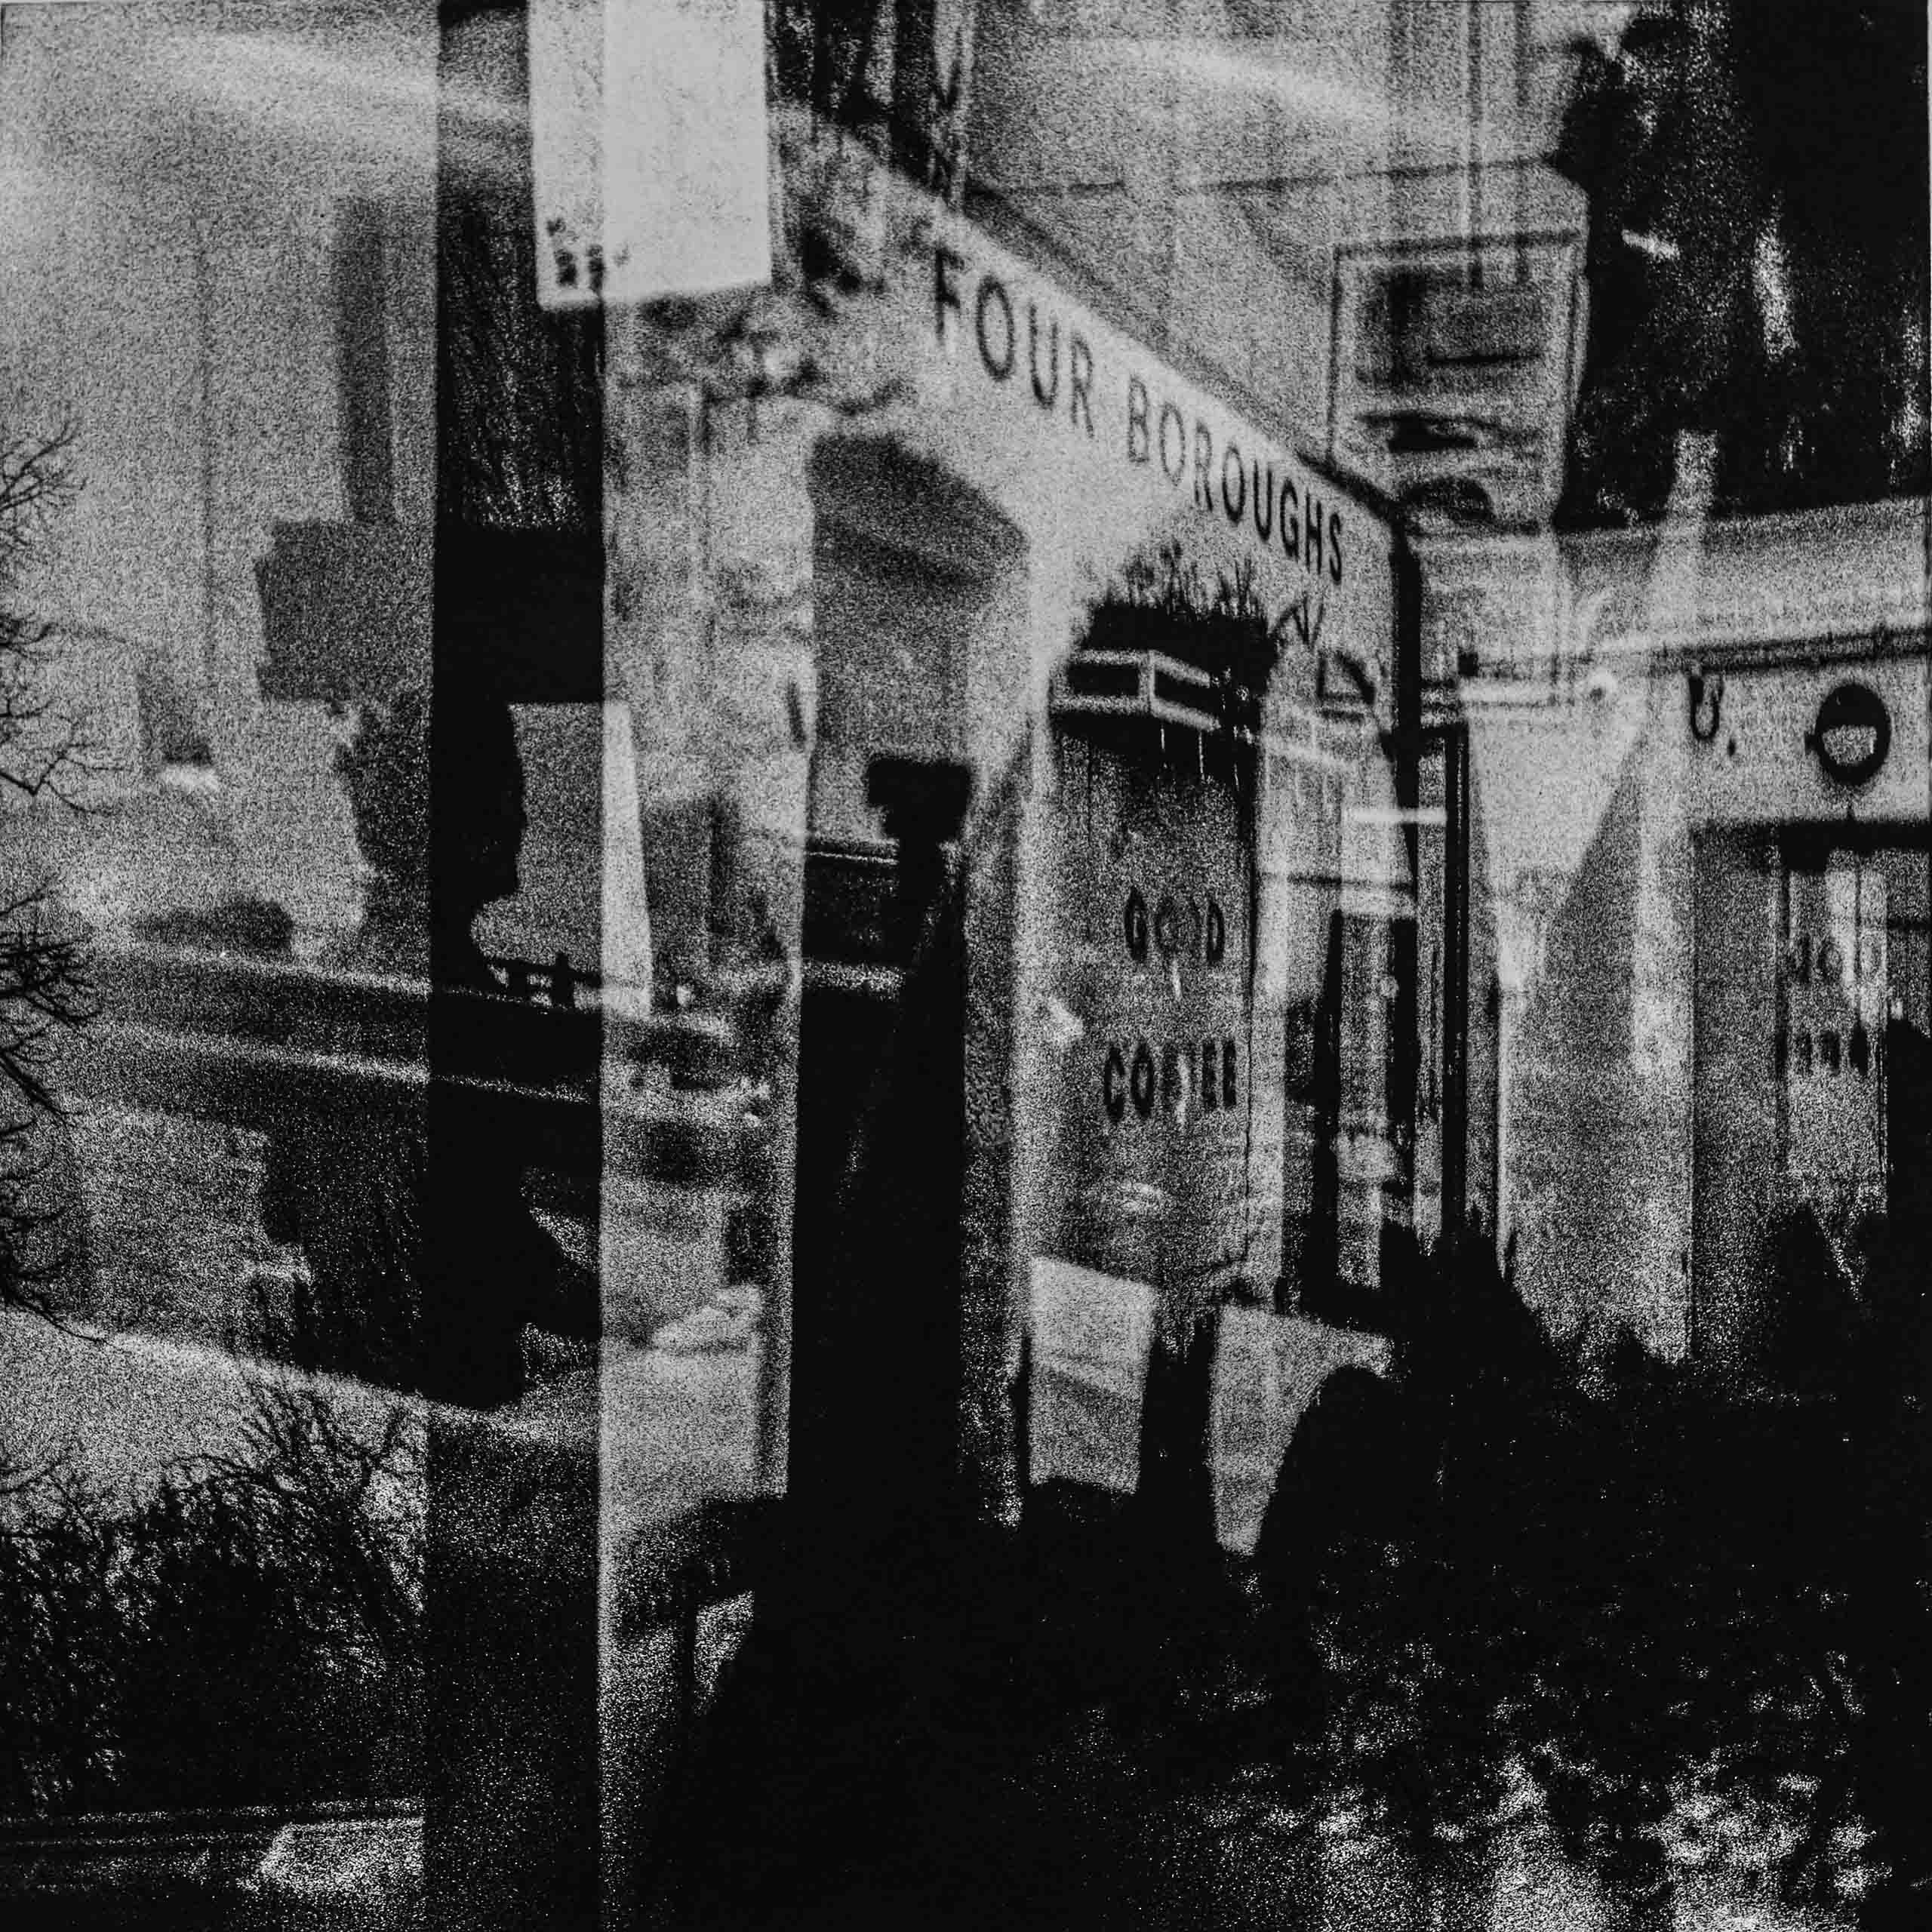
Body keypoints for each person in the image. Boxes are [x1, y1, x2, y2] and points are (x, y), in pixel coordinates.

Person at [257, 679, 598, 1410]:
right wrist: (638, 1312)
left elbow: (279, 1212)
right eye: (507, 789)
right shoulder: (466, 1012)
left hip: (352, 1401)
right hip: (451, 1406)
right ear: (457, 819)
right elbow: (504, 1263)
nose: (522, 814)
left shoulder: (334, 986)